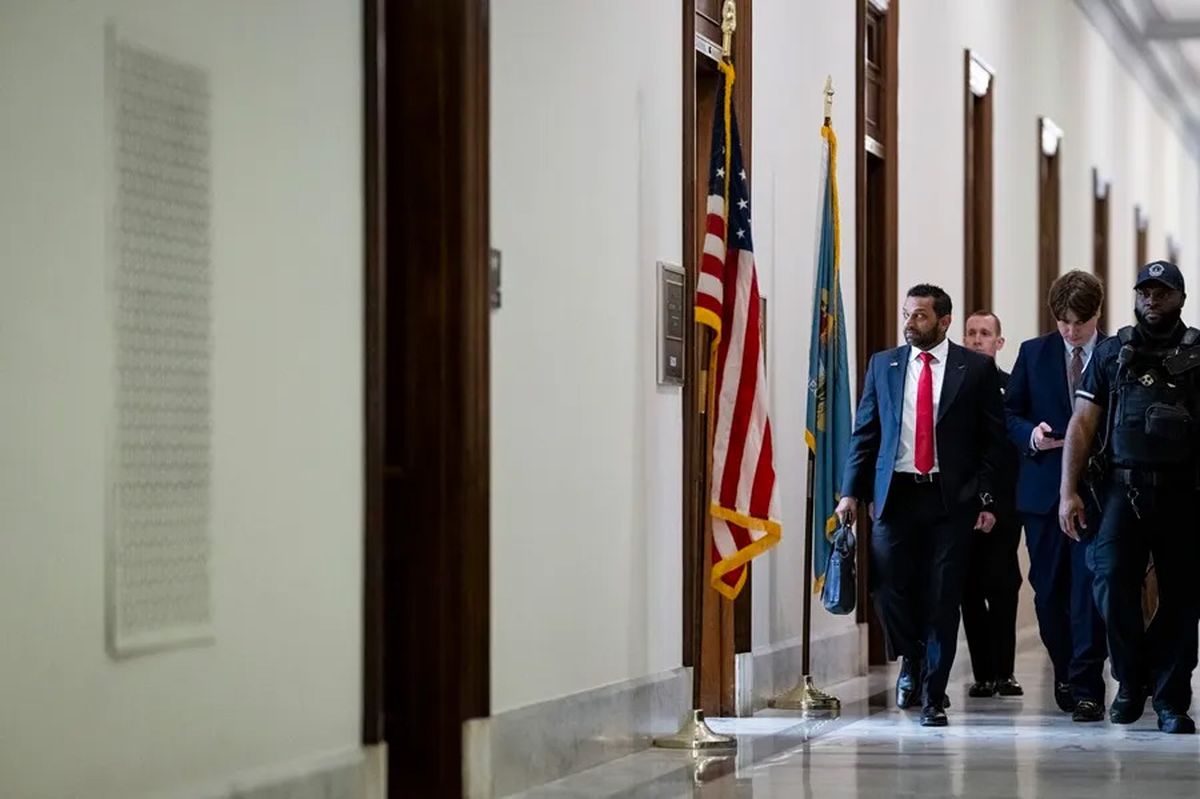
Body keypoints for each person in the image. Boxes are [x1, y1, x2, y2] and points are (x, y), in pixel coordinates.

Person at [836, 284, 1005, 728]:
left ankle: (933, 695)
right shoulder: (884, 365)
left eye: (920, 316)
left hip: (951, 500)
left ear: (944, 321)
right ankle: (912, 655)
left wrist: (987, 498)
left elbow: (993, 441)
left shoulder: (975, 369)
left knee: (943, 597)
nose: (910, 323)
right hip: (896, 496)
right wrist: (850, 492)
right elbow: (865, 432)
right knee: (886, 587)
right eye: (907, 314)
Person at [1060, 260, 1200, 734]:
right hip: (1122, 489)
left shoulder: (1197, 352)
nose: (1151, 301)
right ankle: (1130, 678)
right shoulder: (1112, 352)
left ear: (1180, 298)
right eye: (1145, 292)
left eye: (1162, 293)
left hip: (1183, 493)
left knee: (1183, 597)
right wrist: (1068, 491)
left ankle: (1171, 700)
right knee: (1110, 583)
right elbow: (1082, 423)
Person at [1004, 270, 1108, 722]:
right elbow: (1010, 413)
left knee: (1088, 591)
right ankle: (1065, 671)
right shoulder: (1034, 353)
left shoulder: (1114, 353)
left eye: (1080, 323)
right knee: (1048, 593)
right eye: (1064, 322)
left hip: (1097, 493)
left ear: (1097, 314)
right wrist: (1031, 435)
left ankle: (1087, 687)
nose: (1071, 331)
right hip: (1043, 493)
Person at [960, 311, 1023, 700]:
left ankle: (1005, 671)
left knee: (1003, 585)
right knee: (968, 587)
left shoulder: (1011, 387)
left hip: (1004, 502)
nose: (977, 339)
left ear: (999, 343)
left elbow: (1011, 448)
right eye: (971, 333)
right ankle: (983, 674)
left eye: (985, 333)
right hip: (962, 503)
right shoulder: (952, 384)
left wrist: (997, 501)